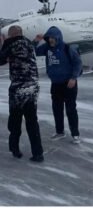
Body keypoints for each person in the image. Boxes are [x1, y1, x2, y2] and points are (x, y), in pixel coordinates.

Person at [0, 26, 44, 162]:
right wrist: (36, 40)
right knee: (32, 122)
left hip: (18, 89)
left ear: (11, 35)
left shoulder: (10, 43)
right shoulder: (28, 43)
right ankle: (38, 154)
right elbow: (30, 46)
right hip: (32, 87)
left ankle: (14, 149)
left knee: (15, 120)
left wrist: (3, 44)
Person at [33, 26, 83, 144]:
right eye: (49, 38)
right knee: (57, 109)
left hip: (69, 83)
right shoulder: (47, 48)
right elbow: (34, 51)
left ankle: (75, 134)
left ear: (58, 37)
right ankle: (60, 132)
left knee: (71, 109)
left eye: (53, 38)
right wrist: (36, 41)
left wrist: (73, 78)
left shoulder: (67, 48)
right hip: (55, 84)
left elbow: (78, 63)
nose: (50, 40)